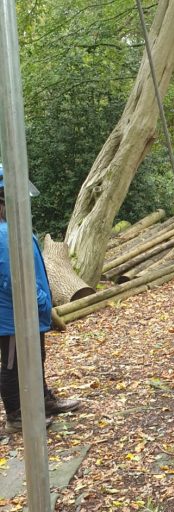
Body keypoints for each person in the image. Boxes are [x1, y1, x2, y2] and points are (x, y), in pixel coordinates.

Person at [0, 164, 80, 434]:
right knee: (13, 364)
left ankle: (41, 400)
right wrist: (37, 299)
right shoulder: (3, 234)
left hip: (28, 310)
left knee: (36, 356)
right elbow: (13, 278)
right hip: (13, 314)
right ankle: (16, 415)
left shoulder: (14, 228)